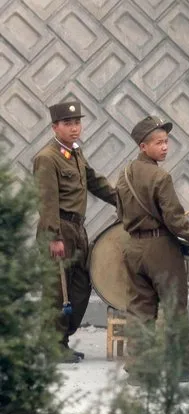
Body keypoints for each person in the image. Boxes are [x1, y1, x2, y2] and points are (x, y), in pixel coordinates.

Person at [115, 115, 189, 384]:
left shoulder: (124, 175)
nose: (165, 147)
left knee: (139, 310)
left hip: (133, 246)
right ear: (143, 147)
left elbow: (120, 212)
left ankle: (139, 369)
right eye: (159, 143)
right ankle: (180, 366)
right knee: (174, 308)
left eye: (166, 142)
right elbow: (174, 219)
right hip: (160, 248)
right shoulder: (160, 176)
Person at [33, 101, 117, 363]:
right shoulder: (47, 158)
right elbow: (46, 201)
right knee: (57, 290)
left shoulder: (75, 152)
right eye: (68, 124)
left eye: (77, 123)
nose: (74, 128)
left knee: (80, 286)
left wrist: (122, 199)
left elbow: (94, 182)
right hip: (59, 229)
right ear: (54, 127)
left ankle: (61, 338)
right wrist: (54, 237)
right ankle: (52, 345)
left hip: (78, 228)